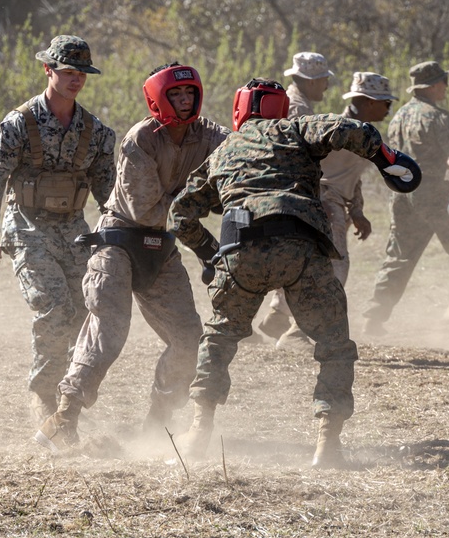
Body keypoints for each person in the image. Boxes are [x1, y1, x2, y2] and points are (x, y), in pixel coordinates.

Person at [167, 78, 421, 468]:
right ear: (281, 108)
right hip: (300, 247)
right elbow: (350, 129)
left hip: (241, 252)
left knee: (218, 339)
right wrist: (388, 159)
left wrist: (210, 254)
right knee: (333, 343)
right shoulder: (295, 128)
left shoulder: (222, 153)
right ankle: (327, 445)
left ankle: (199, 431)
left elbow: (180, 215)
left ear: (239, 111)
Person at [34, 63, 230, 452]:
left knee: (188, 338)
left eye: (190, 93)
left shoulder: (208, 134)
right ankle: (63, 418)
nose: (185, 101)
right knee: (108, 330)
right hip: (120, 242)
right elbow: (145, 211)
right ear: (158, 98)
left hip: (163, 247)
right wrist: (202, 204)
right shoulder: (140, 139)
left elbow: (239, 147)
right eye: (176, 95)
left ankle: (158, 423)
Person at [0, 35, 116, 425]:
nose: (76, 79)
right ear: (48, 70)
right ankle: (42, 393)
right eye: (68, 71)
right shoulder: (19, 124)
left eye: (82, 73)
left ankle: (64, 397)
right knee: (55, 309)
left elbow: (109, 193)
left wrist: (125, 236)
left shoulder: (97, 133)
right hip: (26, 227)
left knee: (83, 314)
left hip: (74, 231)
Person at [271, 72, 399, 351]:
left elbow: (354, 175)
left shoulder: (357, 131)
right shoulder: (341, 129)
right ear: (366, 102)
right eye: (384, 102)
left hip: (325, 198)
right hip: (325, 198)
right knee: (336, 263)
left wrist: (357, 211)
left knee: (307, 259)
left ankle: (279, 312)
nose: (388, 108)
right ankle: (297, 330)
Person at [360, 61, 449, 336]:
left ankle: (374, 317)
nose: (446, 86)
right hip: (433, 194)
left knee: (399, 258)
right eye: (443, 81)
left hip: (402, 194)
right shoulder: (437, 117)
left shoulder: (399, 116)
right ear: (431, 85)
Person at [258, 51, 335, 344]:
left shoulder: (292, 104)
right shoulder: (299, 110)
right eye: (322, 79)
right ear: (309, 81)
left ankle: (277, 318)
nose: (326, 85)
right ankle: (294, 330)